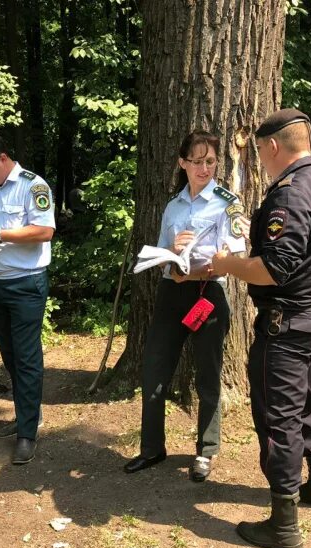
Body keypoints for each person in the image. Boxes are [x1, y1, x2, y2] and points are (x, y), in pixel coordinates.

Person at [211, 109, 311, 548]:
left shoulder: (290, 195)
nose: (260, 161)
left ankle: (284, 524)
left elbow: (273, 268)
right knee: (307, 398)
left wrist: (226, 264)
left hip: (286, 323)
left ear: (273, 146)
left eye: (259, 152)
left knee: (279, 416)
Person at [124, 130, 247, 482]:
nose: (204, 168)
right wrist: (175, 252)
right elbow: (161, 255)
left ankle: (206, 452)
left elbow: (237, 252)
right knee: (154, 370)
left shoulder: (227, 202)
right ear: (183, 163)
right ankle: (152, 448)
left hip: (208, 294)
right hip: (173, 291)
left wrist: (215, 260)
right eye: (197, 162)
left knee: (208, 374)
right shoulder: (173, 205)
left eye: (210, 161)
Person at [0, 132, 55, 465]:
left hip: (26, 285)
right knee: (10, 356)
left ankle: (27, 434)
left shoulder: (33, 186)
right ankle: (26, 415)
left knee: (27, 356)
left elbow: (44, 231)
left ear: (3, 158)